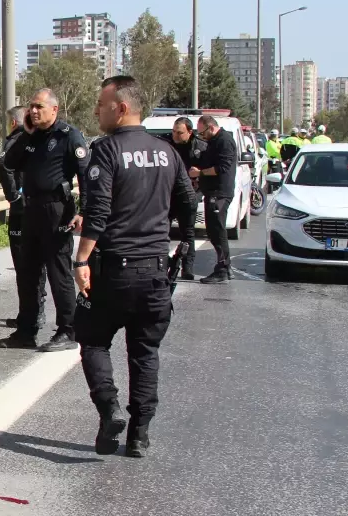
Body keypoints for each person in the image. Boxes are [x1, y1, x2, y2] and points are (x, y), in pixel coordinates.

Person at [74, 76, 197, 458]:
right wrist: (171, 233)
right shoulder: (167, 152)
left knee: (93, 339)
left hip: (114, 270)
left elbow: (98, 212)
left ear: (121, 108)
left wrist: (81, 260)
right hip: (156, 270)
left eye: (102, 104)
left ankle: (110, 409)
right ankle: (140, 434)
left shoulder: (107, 150)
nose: (97, 110)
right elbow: (189, 202)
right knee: (145, 353)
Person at [0, 88, 89, 351]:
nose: (34, 111)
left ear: (54, 109)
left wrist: (84, 211)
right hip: (31, 210)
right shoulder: (33, 136)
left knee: (58, 272)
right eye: (31, 107)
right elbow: (11, 163)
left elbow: (86, 176)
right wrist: (26, 134)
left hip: (57, 210)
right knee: (28, 273)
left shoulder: (69, 136)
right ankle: (26, 331)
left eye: (39, 107)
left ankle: (67, 330)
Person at [0, 105, 47, 331]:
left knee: (24, 265)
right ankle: (38, 311)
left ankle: (29, 315)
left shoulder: (16, 142)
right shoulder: (40, 140)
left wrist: (14, 200)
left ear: (14, 123)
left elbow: (4, 167)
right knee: (38, 264)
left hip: (21, 212)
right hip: (39, 210)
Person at [189, 114, 237, 284]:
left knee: (218, 231)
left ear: (211, 127)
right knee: (213, 230)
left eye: (202, 133)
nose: (201, 137)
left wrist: (200, 173)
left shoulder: (224, 141)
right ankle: (225, 267)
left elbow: (222, 168)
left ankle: (223, 268)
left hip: (220, 193)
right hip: (212, 191)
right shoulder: (213, 141)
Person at [166, 117, 205, 281]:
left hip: (188, 196)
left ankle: (187, 268)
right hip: (168, 195)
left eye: (179, 132)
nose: (175, 135)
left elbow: (206, 174)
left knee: (187, 233)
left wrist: (198, 192)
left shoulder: (201, 148)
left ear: (190, 132)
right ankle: (163, 265)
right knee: (162, 231)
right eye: (174, 131)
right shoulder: (166, 144)